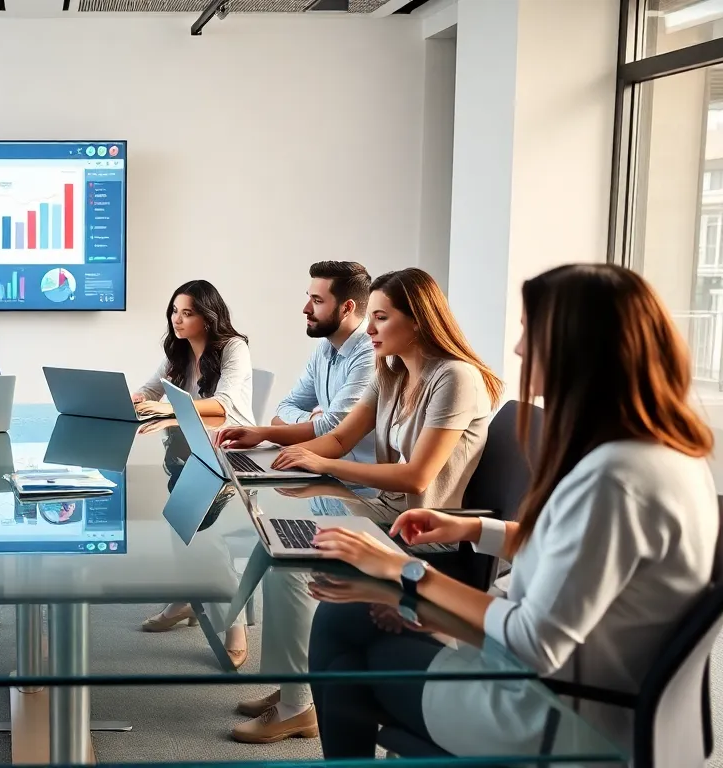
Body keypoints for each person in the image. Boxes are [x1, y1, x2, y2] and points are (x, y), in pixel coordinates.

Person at [306, 263, 717, 758]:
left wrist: (405, 574)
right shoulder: (664, 454)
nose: (519, 348)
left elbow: (534, 642)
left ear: (577, 345)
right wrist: (472, 534)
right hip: (592, 698)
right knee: (350, 625)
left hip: (548, 717)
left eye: (528, 330)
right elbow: (581, 556)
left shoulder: (615, 479)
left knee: (345, 641)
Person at [261, 268, 503, 512]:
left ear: (417, 321)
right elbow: (338, 438)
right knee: (280, 529)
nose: (369, 329)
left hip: (427, 530)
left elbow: (416, 478)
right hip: (387, 508)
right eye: (370, 317)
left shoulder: (455, 377)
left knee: (297, 538)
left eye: (381, 317)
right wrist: (273, 457)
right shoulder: (391, 376)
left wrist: (323, 464)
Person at [216, 261, 376, 463]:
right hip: (320, 469)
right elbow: (284, 409)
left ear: (347, 308)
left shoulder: (369, 354)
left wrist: (265, 433)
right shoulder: (324, 348)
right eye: (309, 298)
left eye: (317, 301)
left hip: (357, 485)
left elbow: (332, 429)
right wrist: (313, 420)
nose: (306, 309)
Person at [133, 279, 255, 426]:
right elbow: (152, 390)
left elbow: (222, 405)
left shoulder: (235, 347)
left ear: (207, 319)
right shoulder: (179, 350)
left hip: (234, 439)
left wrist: (168, 409)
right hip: (192, 433)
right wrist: (140, 398)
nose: (176, 320)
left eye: (187, 314)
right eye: (175, 311)